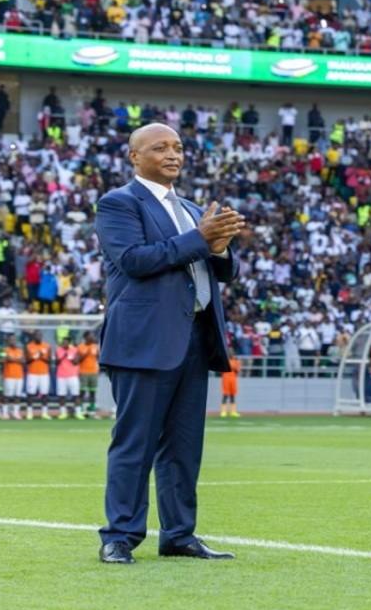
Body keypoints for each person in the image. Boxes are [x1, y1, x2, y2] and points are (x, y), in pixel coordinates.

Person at [94, 123, 244, 565]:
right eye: (160, 148)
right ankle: (119, 535)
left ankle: (179, 534)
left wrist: (219, 246)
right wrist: (202, 238)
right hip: (143, 340)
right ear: (134, 156)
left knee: (183, 445)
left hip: (194, 337)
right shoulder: (119, 203)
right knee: (135, 442)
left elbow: (222, 272)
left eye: (177, 147)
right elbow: (136, 261)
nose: (173, 154)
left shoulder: (193, 208)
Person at [24, 333, 52, 420]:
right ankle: (29, 413)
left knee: (44, 393)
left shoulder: (47, 346)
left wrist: (42, 357)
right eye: (37, 336)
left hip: (44, 373)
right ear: (34, 337)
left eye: (40, 335)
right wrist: (34, 357)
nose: (38, 337)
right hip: (32, 373)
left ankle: (44, 413)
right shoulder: (28, 346)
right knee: (30, 393)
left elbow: (50, 361)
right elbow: (27, 361)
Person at [55, 337, 83, 420]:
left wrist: (70, 358)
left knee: (76, 395)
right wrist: (63, 356)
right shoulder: (58, 350)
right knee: (62, 395)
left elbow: (76, 362)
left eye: (66, 342)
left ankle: (78, 413)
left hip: (73, 376)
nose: (64, 344)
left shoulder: (74, 350)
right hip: (61, 376)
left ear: (69, 343)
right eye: (63, 343)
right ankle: (63, 413)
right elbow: (56, 363)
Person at [1, 335, 25, 420]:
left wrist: (13, 359)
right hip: (9, 376)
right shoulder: (4, 350)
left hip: (19, 376)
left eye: (14, 340)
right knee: (7, 396)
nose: (13, 341)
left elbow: (23, 361)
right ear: (8, 341)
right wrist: (17, 360)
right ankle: (5, 413)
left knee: (17, 396)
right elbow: (5, 359)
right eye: (11, 340)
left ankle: (15, 413)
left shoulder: (20, 350)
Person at [78, 332, 100, 417]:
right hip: (83, 372)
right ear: (86, 337)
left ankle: (92, 411)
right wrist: (86, 353)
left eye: (93, 336)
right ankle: (81, 410)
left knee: (93, 392)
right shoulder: (81, 347)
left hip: (94, 372)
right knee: (82, 392)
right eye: (91, 336)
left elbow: (99, 358)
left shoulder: (95, 347)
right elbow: (77, 360)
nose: (92, 337)